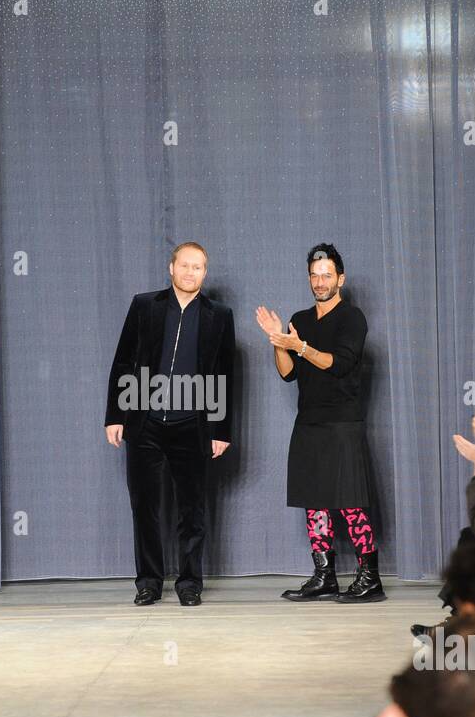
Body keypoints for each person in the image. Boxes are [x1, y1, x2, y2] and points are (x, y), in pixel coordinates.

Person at [104, 242, 235, 607]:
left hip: (191, 425)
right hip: (144, 422)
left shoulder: (219, 315)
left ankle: (190, 582)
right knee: (144, 505)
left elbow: (225, 373)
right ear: (171, 268)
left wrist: (221, 429)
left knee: (192, 509)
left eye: (198, 267)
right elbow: (123, 362)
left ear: (204, 273)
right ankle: (148, 581)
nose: (191, 273)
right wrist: (115, 416)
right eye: (185, 265)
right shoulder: (144, 305)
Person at [258, 243, 384, 603]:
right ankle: (324, 575)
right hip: (308, 421)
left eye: (327, 274)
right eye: (314, 275)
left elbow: (338, 364)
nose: (320, 281)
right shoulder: (300, 319)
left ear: (340, 279)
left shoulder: (352, 317)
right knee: (314, 501)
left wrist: (298, 346)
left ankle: (370, 576)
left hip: (342, 422)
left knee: (349, 501)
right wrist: (278, 341)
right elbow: (287, 375)